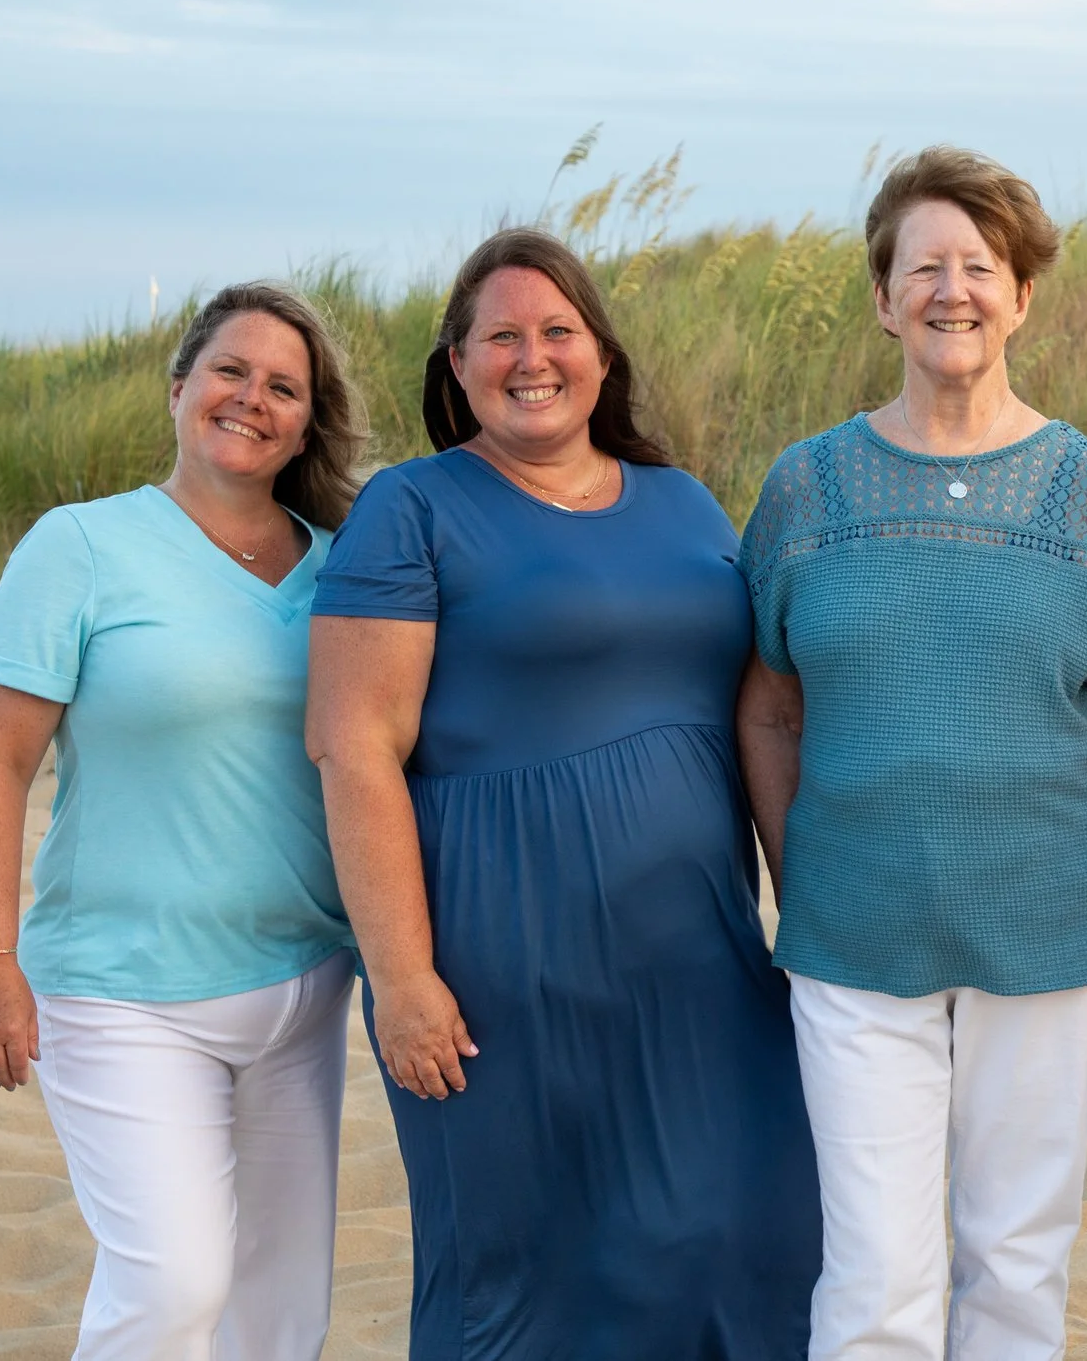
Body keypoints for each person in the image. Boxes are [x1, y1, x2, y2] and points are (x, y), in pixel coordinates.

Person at [304, 227, 821, 1359]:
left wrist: (808, 912)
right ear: (456, 363)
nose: (530, 357)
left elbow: (760, 713)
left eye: (557, 331)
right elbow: (354, 749)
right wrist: (399, 979)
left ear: (599, 354)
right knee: (526, 1271)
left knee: (757, 1234)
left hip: (700, 959)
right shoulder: (413, 506)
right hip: (501, 970)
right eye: (501, 336)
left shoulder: (685, 502)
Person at [735, 145, 1087, 1361]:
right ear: (882, 296)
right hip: (853, 930)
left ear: (1021, 296)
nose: (953, 289)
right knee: (876, 1274)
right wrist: (800, 866)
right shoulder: (805, 486)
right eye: (922, 264)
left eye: (980, 266)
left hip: (1059, 925)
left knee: (1018, 1255)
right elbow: (768, 709)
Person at [0, 281, 367, 1358]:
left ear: (306, 422)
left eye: (285, 387)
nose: (252, 398)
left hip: (304, 986)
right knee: (174, 1283)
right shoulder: (80, 546)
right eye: (231, 370)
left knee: (281, 1314)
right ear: (180, 385)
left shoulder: (346, 566)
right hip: (121, 987)